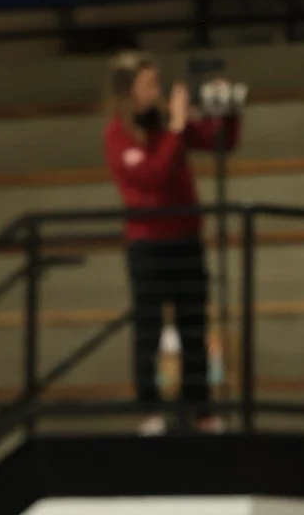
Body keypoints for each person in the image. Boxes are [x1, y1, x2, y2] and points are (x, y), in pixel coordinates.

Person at [103, 53, 241, 437]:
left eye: (157, 83)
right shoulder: (118, 134)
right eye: (149, 85)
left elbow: (220, 141)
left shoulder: (166, 123)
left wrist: (228, 112)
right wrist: (178, 126)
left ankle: (200, 409)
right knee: (148, 329)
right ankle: (149, 411)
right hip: (148, 246)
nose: (157, 91)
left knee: (193, 327)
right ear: (128, 92)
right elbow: (153, 176)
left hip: (185, 240)